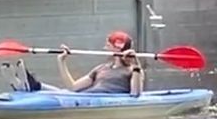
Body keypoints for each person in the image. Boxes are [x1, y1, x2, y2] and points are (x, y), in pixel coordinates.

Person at [8, 30, 144, 95]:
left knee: (65, 95)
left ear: (117, 47)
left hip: (100, 101)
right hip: (86, 98)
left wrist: (136, 63)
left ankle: (33, 85)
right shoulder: (101, 68)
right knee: (66, 93)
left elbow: (135, 94)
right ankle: (33, 86)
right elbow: (73, 87)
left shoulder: (133, 70)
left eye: (108, 44)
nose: (105, 46)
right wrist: (61, 61)